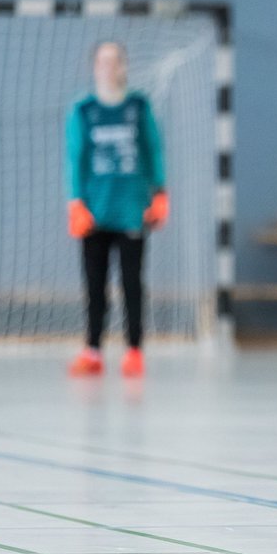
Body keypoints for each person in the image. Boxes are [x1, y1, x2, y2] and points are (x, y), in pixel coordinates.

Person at [65, 41, 168, 378]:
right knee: (94, 284)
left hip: (131, 209)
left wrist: (160, 192)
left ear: (124, 66)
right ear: (94, 67)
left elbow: (153, 149)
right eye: (102, 61)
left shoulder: (138, 106)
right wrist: (75, 201)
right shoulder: (84, 109)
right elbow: (75, 157)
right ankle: (93, 348)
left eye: (115, 61)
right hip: (95, 209)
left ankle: (134, 349)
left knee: (132, 282)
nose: (109, 67)